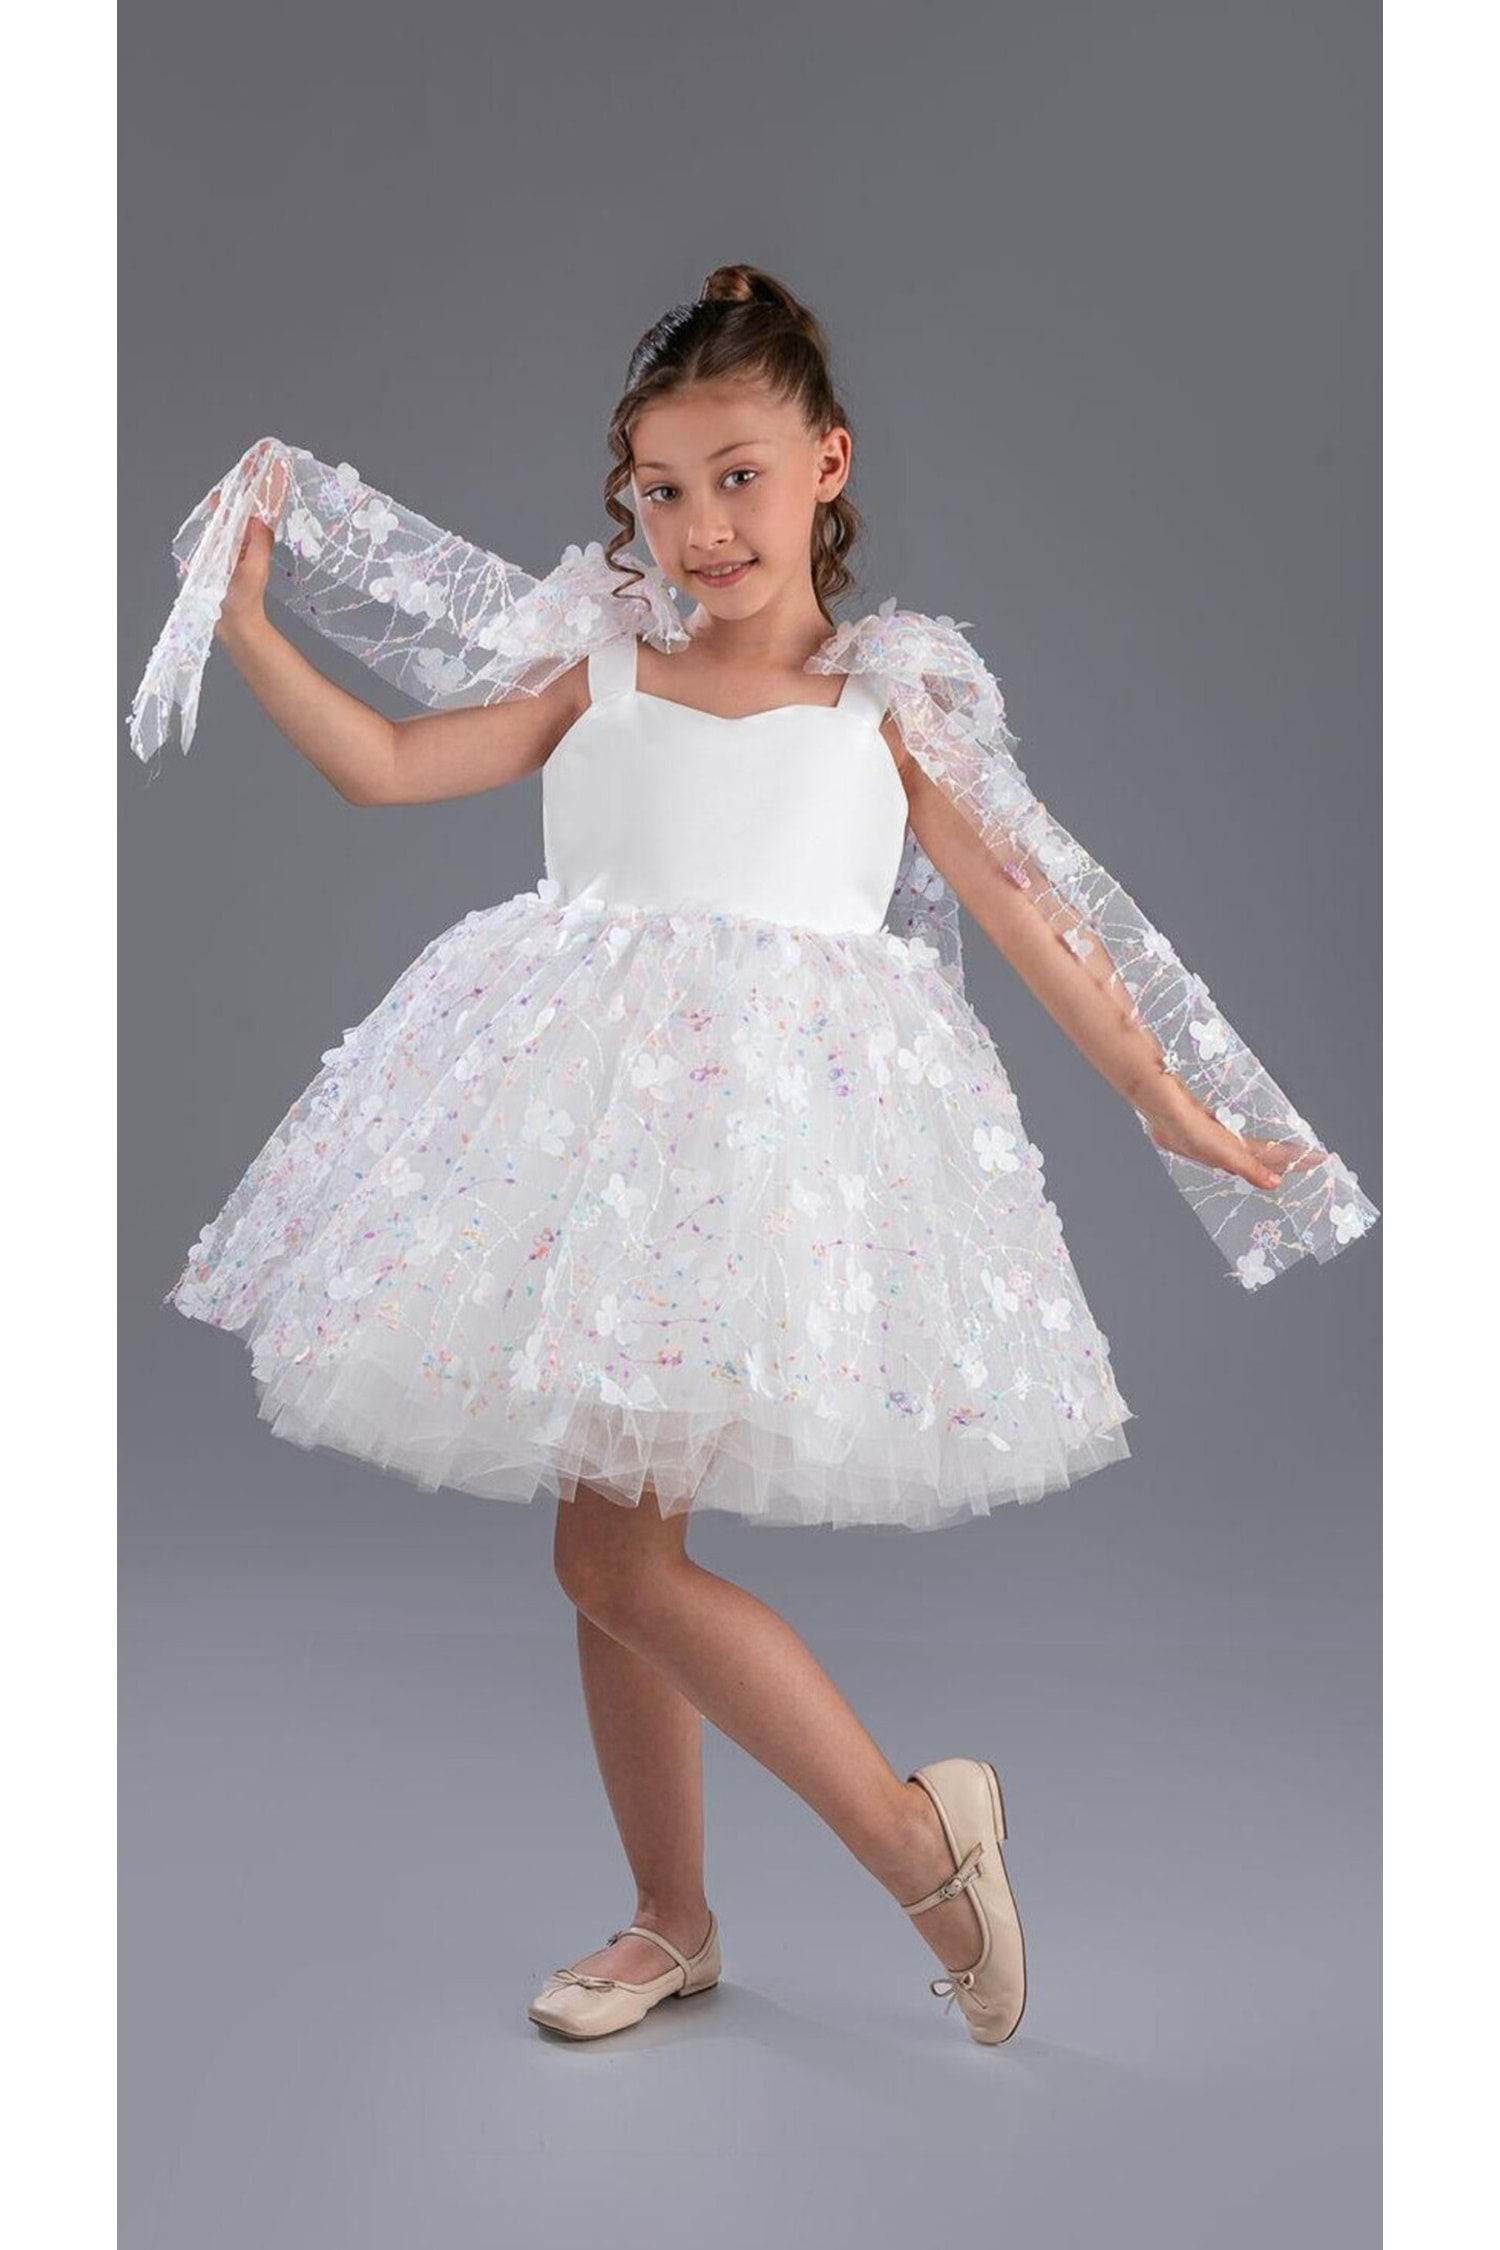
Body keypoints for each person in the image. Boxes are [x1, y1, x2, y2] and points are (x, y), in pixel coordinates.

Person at [128, 263, 1377, 2046]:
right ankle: (673, 1916)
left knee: (610, 1559)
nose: (702, 526)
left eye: (739, 477)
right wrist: (251, 625)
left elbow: (1034, 922)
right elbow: (394, 762)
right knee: (607, 1540)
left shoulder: (889, 703)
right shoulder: (601, 666)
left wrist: (1165, 1099)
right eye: (662, 488)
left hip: (769, 1163)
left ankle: (918, 1840)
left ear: (826, 467)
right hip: (589, 1143)